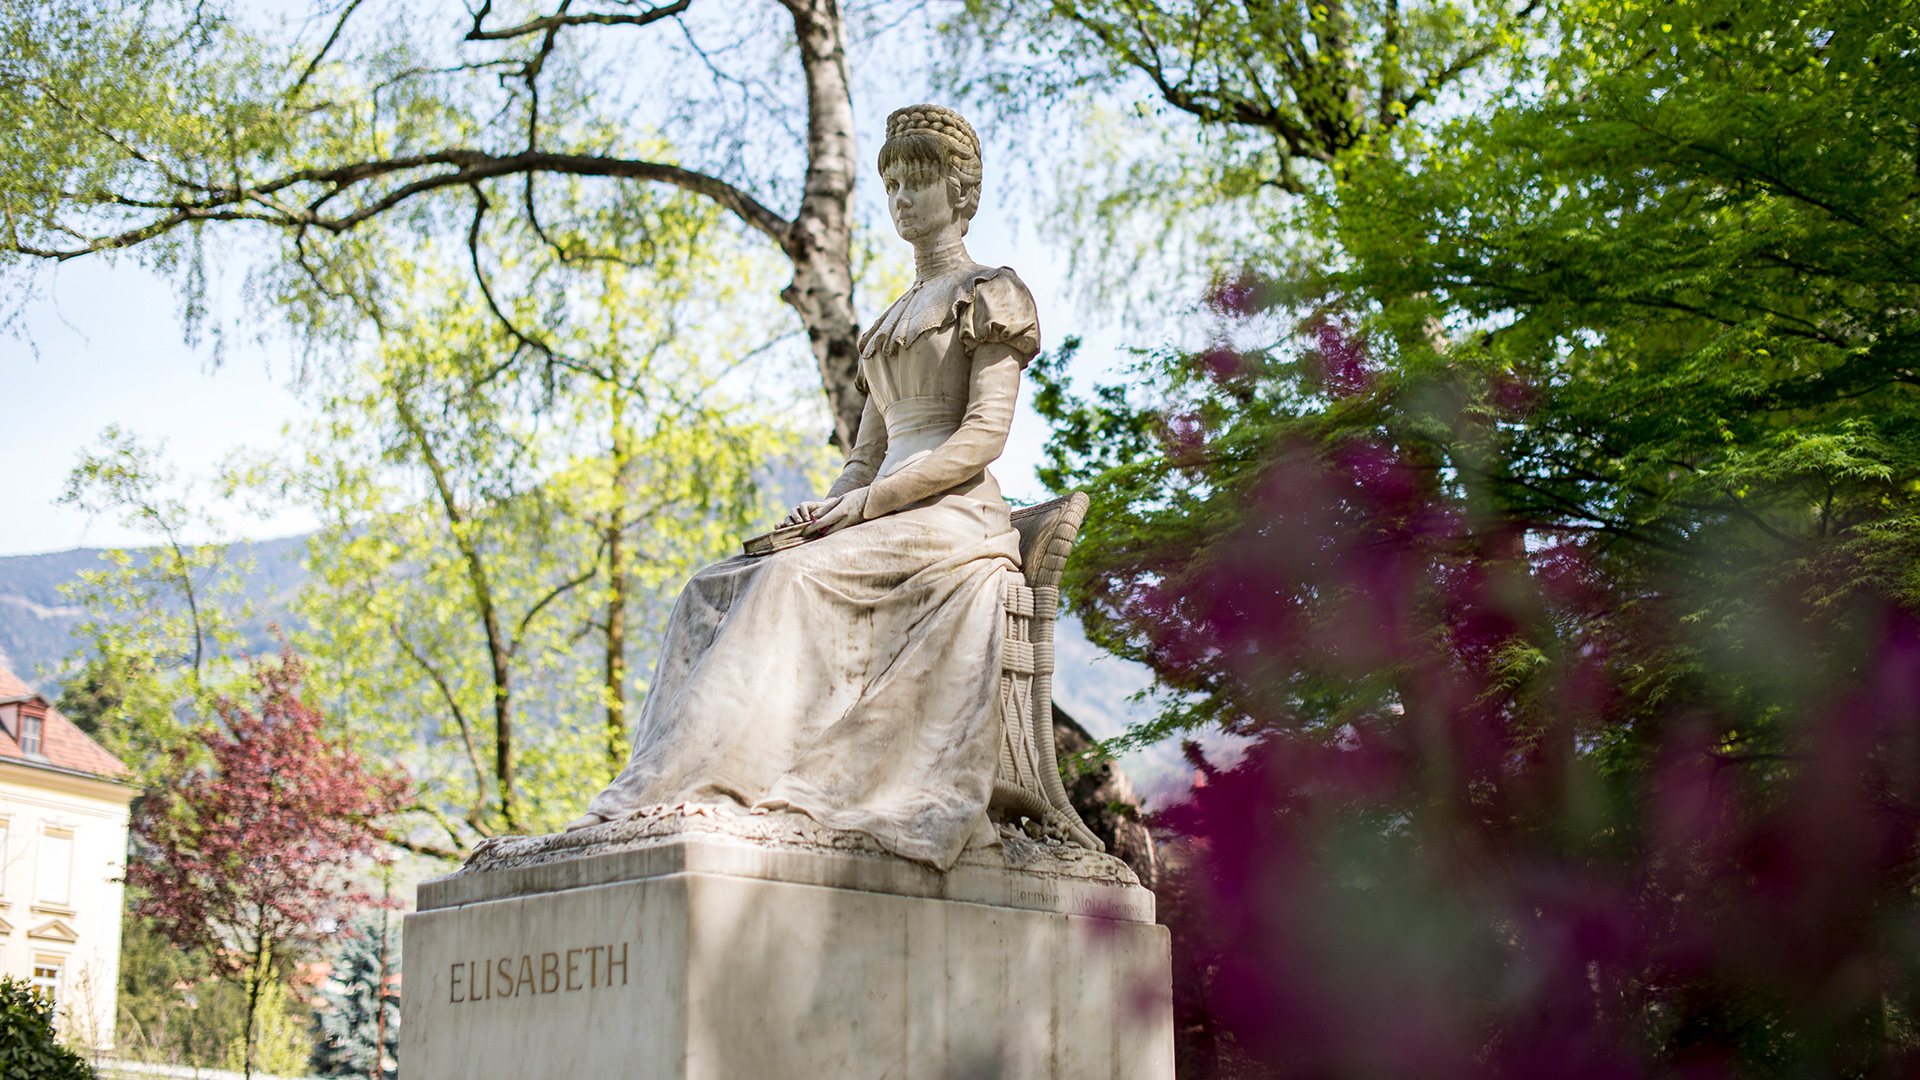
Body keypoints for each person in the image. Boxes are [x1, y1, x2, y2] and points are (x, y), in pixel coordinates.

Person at [565, 104, 1040, 871]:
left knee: (788, 581)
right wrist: (830, 507)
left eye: (921, 182)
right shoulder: (887, 322)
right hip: (877, 513)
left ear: (961, 193)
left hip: (952, 517)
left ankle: (729, 784)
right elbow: (865, 455)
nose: (903, 199)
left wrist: (868, 504)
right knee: (709, 589)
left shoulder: (991, 291)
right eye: (892, 184)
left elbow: (982, 437)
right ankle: (662, 785)